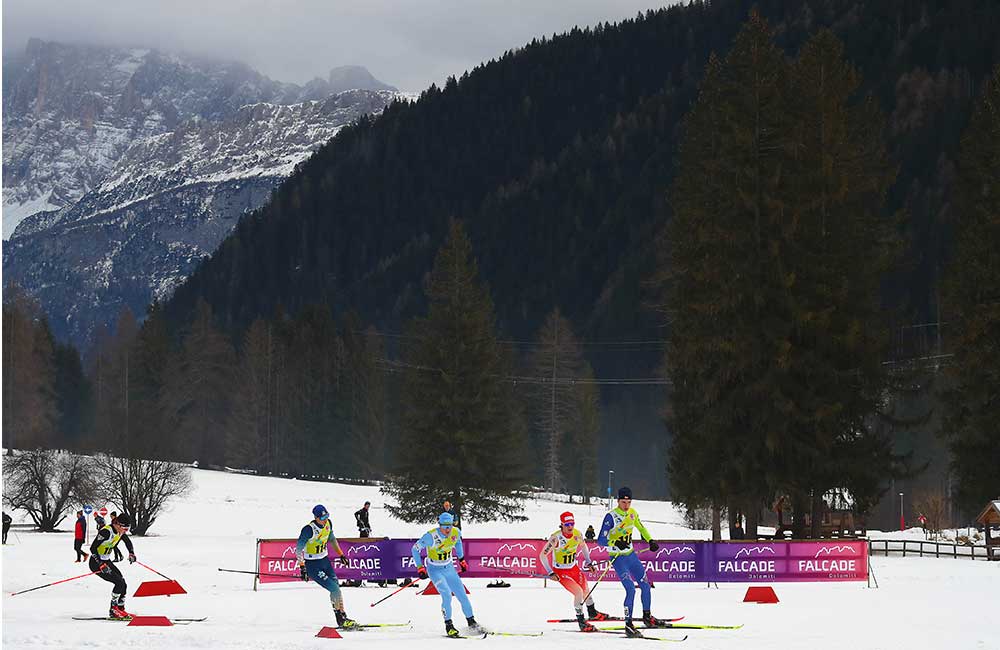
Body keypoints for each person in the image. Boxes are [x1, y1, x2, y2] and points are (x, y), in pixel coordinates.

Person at [597, 487, 660, 637]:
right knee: (630, 589)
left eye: (629, 502)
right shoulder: (610, 516)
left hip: (631, 556)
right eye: (623, 502)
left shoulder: (632, 513)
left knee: (645, 585)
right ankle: (628, 624)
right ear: (618, 501)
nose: (626, 505)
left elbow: (641, 528)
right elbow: (601, 540)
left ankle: (647, 616)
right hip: (618, 558)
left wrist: (650, 540)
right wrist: (615, 543)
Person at [412, 512, 483, 637]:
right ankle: (449, 626)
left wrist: (461, 559)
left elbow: (458, 543)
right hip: (435, 570)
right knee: (446, 595)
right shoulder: (431, 536)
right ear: (440, 525)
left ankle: (471, 622)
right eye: (444, 526)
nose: (447, 529)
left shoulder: (455, 532)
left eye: (449, 525)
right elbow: (415, 549)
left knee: (462, 595)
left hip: (449, 568)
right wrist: (420, 567)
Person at [539, 511, 609, 632]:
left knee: (586, 588)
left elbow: (584, 547)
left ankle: (592, 612)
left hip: (574, 568)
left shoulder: (577, 534)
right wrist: (550, 572)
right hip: (561, 571)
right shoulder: (556, 538)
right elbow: (542, 555)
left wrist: (589, 562)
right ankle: (581, 622)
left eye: (572, 523)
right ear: (561, 525)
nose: (570, 527)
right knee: (578, 592)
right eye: (567, 524)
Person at [296, 504, 358, 630]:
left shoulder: (328, 523)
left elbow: (332, 539)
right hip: (313, 565)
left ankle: (342, 615)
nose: (325, 520)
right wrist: (302, 566)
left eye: (327, 516)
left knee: (336, 588)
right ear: (316, 517)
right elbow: (298, 549)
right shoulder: (308, 529)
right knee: (334, 589)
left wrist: (341, 555)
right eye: (322, 518)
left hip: (325, 561)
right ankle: (340, 619)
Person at [89, 512, 136, 619]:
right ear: (118, 524)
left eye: (127, 529)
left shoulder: (120, 532)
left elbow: (128, 542)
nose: (125, 531)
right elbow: (92, 548)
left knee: (123, 583)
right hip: (96, 563)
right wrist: (101, 564)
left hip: (107, 561)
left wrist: (131, 553)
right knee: (118, 582)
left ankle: (120, 609)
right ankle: (113, 610)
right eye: (124, 528)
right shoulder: (106, 531)